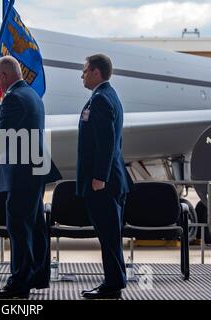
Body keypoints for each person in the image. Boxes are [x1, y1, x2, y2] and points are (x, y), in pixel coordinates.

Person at [0, 56, 62, 299]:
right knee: (34, 226)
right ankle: (36, 276)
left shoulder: (13, 98)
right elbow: (14, 124)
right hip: (34, 170)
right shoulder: (30, 94)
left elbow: (3, 136)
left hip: (22, 173)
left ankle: (18, 283)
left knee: (18, 226)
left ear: (4, 76)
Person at [77, 53, 133, 299]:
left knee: (109, 236)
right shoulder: (108, 95)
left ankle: (112, 286)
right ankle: (114, 282)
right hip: (111, 180)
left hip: (104, 183)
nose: (82, 75)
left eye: (85, 70)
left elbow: (106, 141)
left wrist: (100, 176)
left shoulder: (101, 99)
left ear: (96, 72)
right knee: (110, 236)